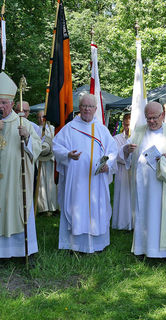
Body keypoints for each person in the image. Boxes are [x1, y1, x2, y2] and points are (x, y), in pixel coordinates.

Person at [0, 73, 42, 259]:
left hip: (14, 181)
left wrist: (27, 137)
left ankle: (18, 251)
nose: (1, 106)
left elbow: (37, 148)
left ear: (12, 103)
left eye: (4, 103)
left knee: (15, 211)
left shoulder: (23, 123)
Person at [121, 102, 166, 258]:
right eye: (148, 118)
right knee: (145, 215)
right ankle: (143, 249)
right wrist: (126, 150)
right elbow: (125, 151)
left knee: (163, 217)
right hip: (144, 186)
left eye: (154, 118)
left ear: (163, 115)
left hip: (165, 185)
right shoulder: (139, 132)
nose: (151, 121)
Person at [53, 93, 118, 253]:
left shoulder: (102, 130)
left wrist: (107, 164)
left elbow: (113, 151)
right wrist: (68, 154)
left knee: (96, 208)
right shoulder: (69, 128)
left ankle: (97, 244)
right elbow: (56, 146)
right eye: (84, 106)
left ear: (96, 109)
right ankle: (74, 245)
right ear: (79, 108)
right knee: (76, 208)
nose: (87, 109)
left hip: (96, 180)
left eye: (90, 106)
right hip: (76, 180)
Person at [112, 113, 134, 230]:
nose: (128, 128)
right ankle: (123, 222)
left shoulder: (138, 137)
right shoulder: (117, 138)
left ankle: (135, 222)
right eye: (126, 125)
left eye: (130, 125)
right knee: (123, 196)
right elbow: (115, 155)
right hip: (122, 171)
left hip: (134, 171)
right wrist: (125, 153)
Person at [34, 110, 58, 214]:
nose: (40, 119)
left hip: (51, 158)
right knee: (41, 183)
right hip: (40, 159)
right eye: (38, 117)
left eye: (42, 117)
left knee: (51, 183)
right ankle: (43, 207)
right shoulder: (34, 129)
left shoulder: (52, 129)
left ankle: (54, 206)